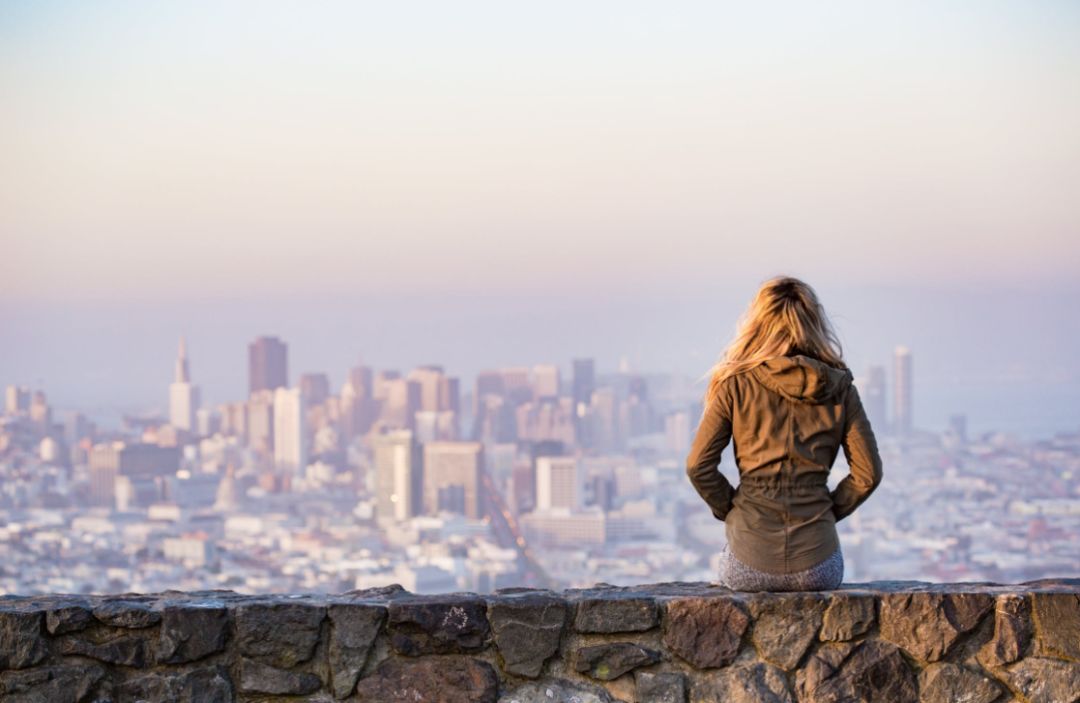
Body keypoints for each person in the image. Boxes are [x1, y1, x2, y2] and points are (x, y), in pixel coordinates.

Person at [686, 275, 883, 591]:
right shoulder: (840, 388)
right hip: (819, 565)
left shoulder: (735, 385)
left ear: (757, 324)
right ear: (814, 323)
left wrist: (733, 510)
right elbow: (868, 474)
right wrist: (825, 512)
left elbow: (698, 466)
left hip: (748, 560)